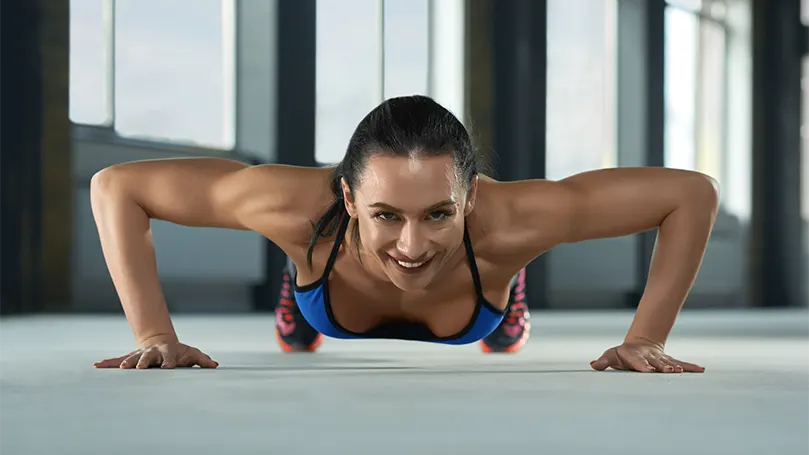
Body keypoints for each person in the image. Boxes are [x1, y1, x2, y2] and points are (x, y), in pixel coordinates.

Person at [91, 95, 717, 373]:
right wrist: (154, 336)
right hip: (325, 281)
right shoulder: (291, 206)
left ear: (470, 197)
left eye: (438, 214)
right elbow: (117, 186)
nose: (412, 247)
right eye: (386, 214)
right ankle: (300, 294)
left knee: (504, 334)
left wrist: (645, 339)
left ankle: (507, 292)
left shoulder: (515, 216)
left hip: (479, 296)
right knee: (300, 324)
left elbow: (690, 195)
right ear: (348, 196)